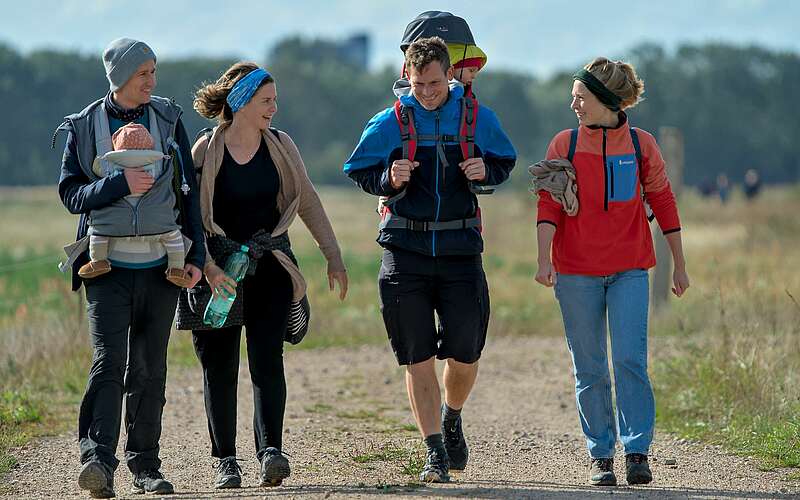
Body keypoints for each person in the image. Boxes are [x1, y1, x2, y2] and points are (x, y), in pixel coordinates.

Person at [344, 37, 516, 483]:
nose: (426, 92)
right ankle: (434, 450)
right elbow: (358, 170)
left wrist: (485, 170)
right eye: (418, 84)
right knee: (416, 356)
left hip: (460, 252)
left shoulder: (477, 117)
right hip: (405, 253)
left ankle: (452, 415)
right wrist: (387, 177)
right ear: (408, 76)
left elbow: (505, 160)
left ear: (450, 75)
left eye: (435, 83)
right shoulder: (389, 121)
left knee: (465, 351)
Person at [55, 37, 205, 498]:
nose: (152, 82)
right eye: (144, 74)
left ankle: (145, 466)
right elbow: (71, 195)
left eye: (154, 72)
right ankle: (97, 462)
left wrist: (196, 256)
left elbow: (188, 191)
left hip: (162, 267)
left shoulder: (169, 118)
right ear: (120, 77)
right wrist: (116, 185)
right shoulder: (84, 126)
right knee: (108, 364)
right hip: (106, 269)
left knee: (149, 368)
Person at [190, 62, 348, 489]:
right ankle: (225, 460)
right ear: (240, 102)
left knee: (267, 361)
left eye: (274, 100)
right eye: (266, 101)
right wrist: (204, 265)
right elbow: (188, 215)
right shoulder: (206, 150)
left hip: (271, 265)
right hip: (220, 273)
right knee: (219, 367)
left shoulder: (280, 145)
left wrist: (332, 255)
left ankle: (271, 452)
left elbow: (308, 200)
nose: (274, 109)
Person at [533, 57, 690, 487]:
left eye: (580, 97)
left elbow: (663, 201)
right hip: (576, 273)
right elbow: (548, 204)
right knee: (590, 368)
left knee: (629, 361)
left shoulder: (642, 146)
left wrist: (679, 262)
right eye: (573, 96)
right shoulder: (562, 145)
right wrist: (544, 258)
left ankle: (637, 452)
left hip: (630, 271)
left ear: (605, 101)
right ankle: (601, 456)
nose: (574, 104)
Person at [79, 122, 192, 287]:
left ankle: (99, 261)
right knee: (173, 236)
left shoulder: (111, 166)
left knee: (98, 232)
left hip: (113, 225)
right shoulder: (157, 165)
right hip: (158, 224)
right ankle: (176, 268)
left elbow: (96, 170)